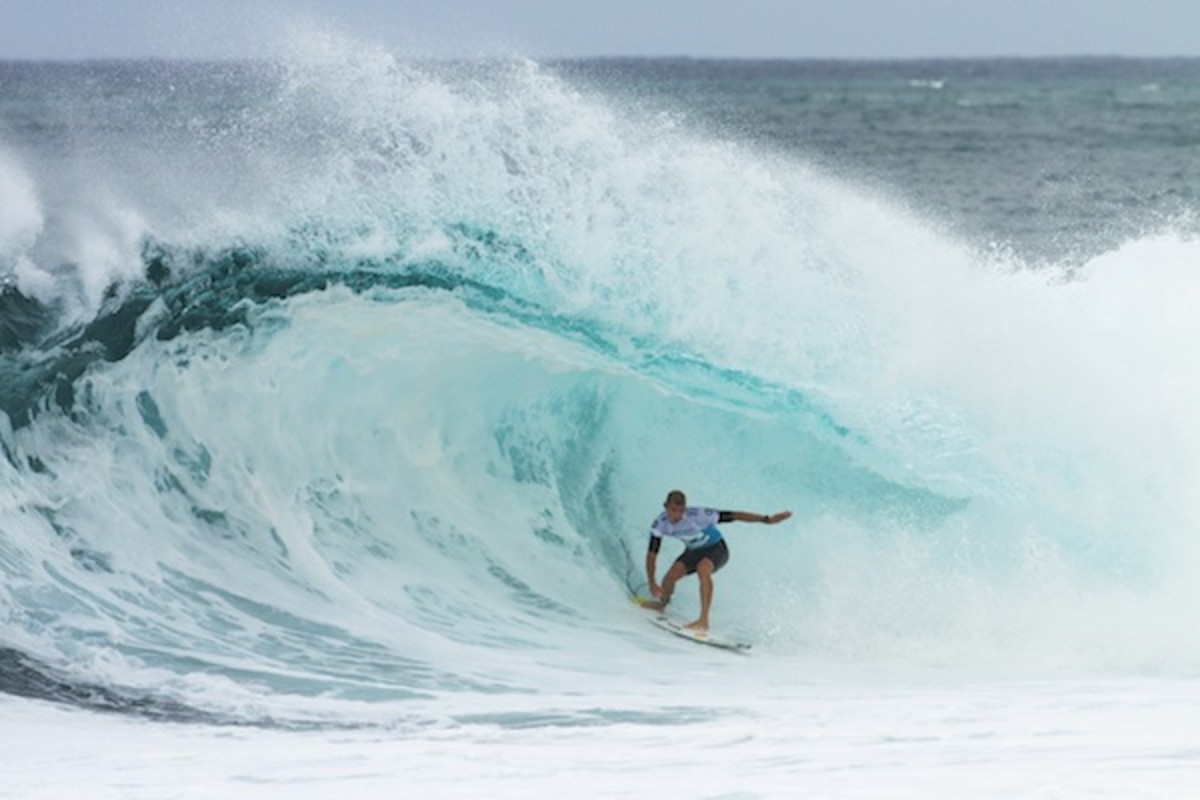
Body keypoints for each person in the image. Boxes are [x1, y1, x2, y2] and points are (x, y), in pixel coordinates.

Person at [642, 489, 792, 631]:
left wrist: (766, 519)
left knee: (703, 569)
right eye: (673, 510)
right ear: (665, 506)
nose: (677, 515)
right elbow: (651, 554)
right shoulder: (660, 524)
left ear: (685, 509)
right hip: (693, 552)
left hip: (717, 550)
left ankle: (703, 620)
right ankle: (662, 604)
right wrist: (652, 582)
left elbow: (735, 515)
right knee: (669, 579)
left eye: (680, 511)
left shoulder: (698, 515)